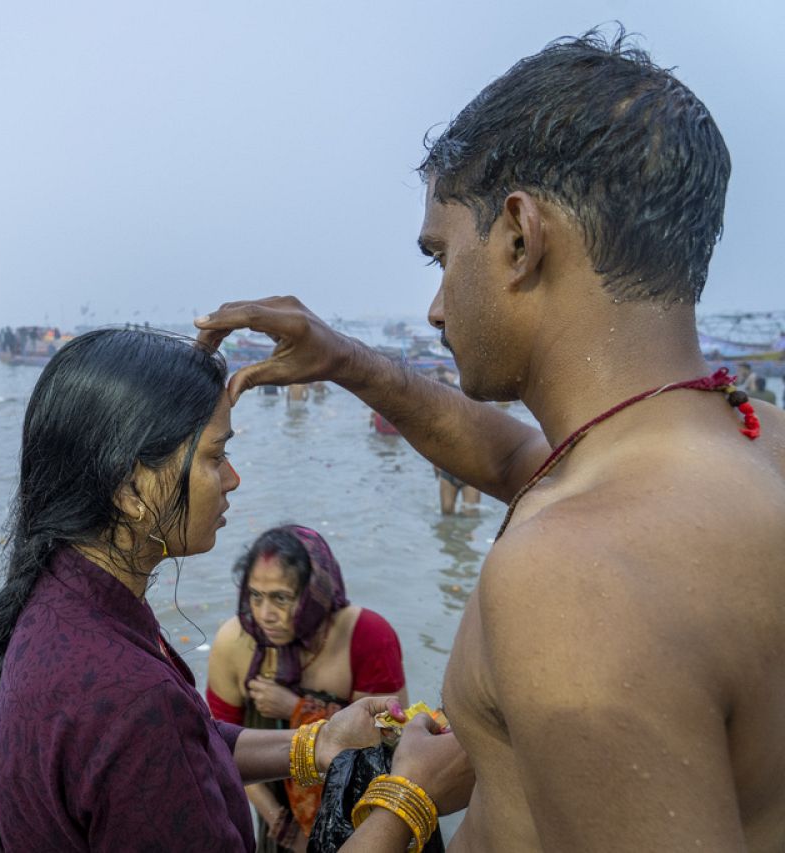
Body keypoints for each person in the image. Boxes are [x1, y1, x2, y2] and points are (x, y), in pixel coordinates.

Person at [195, 31, 783, 851]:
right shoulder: (746, 438)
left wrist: (404, 801)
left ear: (518, 235)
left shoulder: (574, 574)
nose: (436, 308)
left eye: (441, 255)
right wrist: (345, 360)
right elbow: (520, 464)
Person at [0, 329, 398, 852]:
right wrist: (405, 803)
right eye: (215, 456)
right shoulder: (132, 697)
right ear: (132, 488)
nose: (233, 478)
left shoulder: (60, 600)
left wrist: (315, 744)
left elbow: (188, 742)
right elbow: (160, 736)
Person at [207, 526, 408, 850]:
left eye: (281, 598)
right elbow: (215, 746)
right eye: (255, 596)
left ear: (316, 594)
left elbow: (387, 742)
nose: (265, 615)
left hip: (359, 813)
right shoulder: (234, 642)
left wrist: (295, 708)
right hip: (277, 816)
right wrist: (279, 822)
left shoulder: (367, 636)